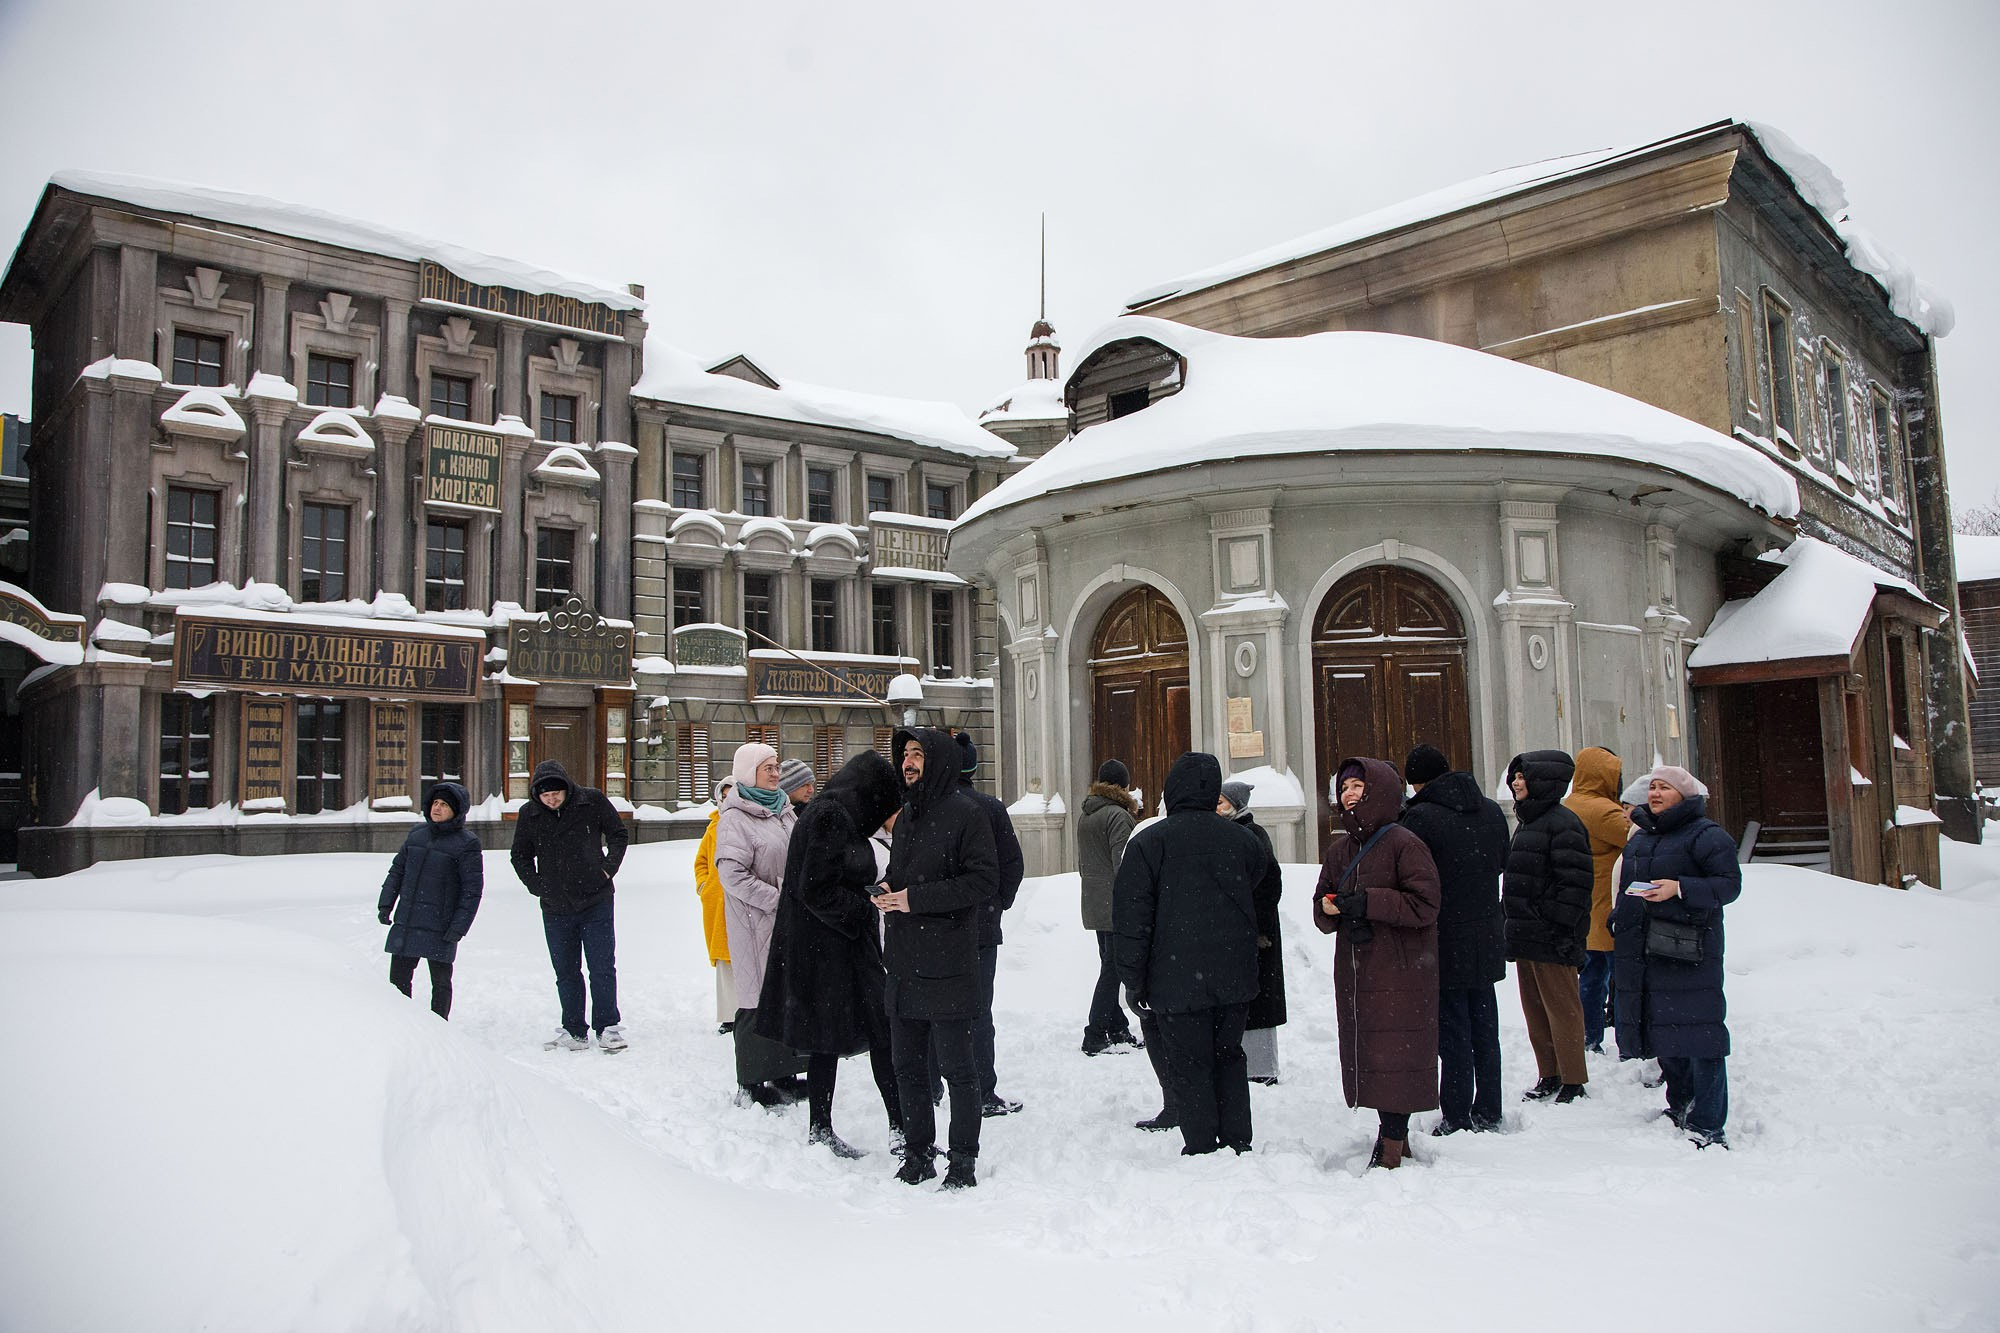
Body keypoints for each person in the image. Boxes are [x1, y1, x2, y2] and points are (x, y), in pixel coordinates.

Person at [1115, 751, 1273, 1157]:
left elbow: (1132, 917)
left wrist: (1133, 979)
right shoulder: (1243, 840)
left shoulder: (1149, 843)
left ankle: (1201, 1142)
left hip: (1173, 974)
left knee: (1189, 1061)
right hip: (1233, 971)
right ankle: (1237, 1139)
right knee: (1228, 1054)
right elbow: (1264, 888)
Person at [755, 750, 906, 1158]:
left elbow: (839, 875)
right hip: (827, 951)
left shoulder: (838, 815)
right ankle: (846, 1128)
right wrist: (865, 907)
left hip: (836, 948)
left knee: (859, 1035)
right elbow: (816, 888)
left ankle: (889, 1125)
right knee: (856, 1036)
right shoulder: (830, 816)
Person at [876, 727, 999, 1189]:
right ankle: (918, 1152)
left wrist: (915, 900)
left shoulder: (967, 814)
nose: (907, 763)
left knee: (958, 1070)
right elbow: (900, 874)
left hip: (949, 961)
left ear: (940, 760)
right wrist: (889, 889)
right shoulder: (906, 816)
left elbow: (983, 881)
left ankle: (962, 1160)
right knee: (907, 1067)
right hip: (904, 963)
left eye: (917, 755)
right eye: (904, 754)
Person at [1314, 757, 1442, 1169]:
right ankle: (1394, 1133)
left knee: (1395, 1050)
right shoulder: (1340, 849)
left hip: (1400, 968)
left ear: (1380, 791)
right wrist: (1329, 908)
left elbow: (1425, 904)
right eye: (1344, 787)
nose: (1349, 794)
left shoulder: (1405, 843)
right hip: (1357, 966)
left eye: (1358, 787)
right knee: (1373, 1049)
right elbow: (1321, 904)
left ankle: (1392, 1138)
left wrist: (1368, 902)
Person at [1613, 765, 1742, 1149]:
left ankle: (1708, 1121)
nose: (1654, 794)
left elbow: (1728, 886)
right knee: (1664, 1034)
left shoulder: (1707, 836)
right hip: (1647, 951)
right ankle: (1680, 1104)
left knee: (1702, 1039)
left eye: (1664, 788)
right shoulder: (1642, 837)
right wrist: (1618, 917)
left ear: (1684, 796)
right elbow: (1628, 888)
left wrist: (1680, 888)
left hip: (1690, 953)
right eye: (1651, 788)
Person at [1397, 744, 1508, 1134]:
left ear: (1416, 782)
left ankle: (1457, 1113)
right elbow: (1500, 862)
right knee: (1484, 1026)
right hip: (1486, 930)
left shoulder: (1420, 818)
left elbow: (1409, 876)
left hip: (1443, 935)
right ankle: (1490, 1108)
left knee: (1453, 1030)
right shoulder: (1492, 810)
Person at [512, 759, 630, 1053]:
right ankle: (574, 1029)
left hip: (596, 900)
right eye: (544, 795)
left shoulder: (592, 801)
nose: (551, 799)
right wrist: (538, 886)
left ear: (566, 787)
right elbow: (520, 856)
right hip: (555, 906)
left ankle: (608, 1027)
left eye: (556, 793)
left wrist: (606, 870)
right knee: (565, 969)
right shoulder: (530, 815)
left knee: (601, 965)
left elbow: (618, 834)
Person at [715, 742, 808, 1106]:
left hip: (787, 921)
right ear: (747, 772)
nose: (775, 774)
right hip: (755, 923)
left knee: (785, 998)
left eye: (776, 768)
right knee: (756, 1001)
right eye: (767, 768)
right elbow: (731, 874)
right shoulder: (735, 817)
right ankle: (752, 1082)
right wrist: (777, 901)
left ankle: (785, 1074)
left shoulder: (783, 810)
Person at [1502, 749, 1595, 1102]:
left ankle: (1573, 1078)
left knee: (1562, 1008)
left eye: (1523, 777)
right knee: (1536, 1008)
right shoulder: (1529, 821)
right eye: (1516, 777)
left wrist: (1555, 922)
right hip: (1528, 934)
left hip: (1552, 936)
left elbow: (1574, 885)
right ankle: (1550, 1073)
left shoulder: (1564, 823)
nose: (1515, 783)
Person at [953, 732, 1027, 1116]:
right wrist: (998, 904)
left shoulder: (923, 805)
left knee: (936, 1010)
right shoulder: (990, 807)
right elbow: (1012, 863)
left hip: (934, 927)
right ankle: (981, 1089)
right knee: (979, 1009)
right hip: (980, 925)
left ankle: (935, 1086)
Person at [378, 781, 483, 1020]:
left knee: (441, 982)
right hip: (408, 920)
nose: (437, 808)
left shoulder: (467, 844)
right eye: (435, 802)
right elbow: (397, 871)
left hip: (441, 925)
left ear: (456, 810)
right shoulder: (417, 834)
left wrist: (458, 928)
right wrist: (386, 904)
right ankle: (402, 1022)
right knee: (398, 981)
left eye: (444, 804)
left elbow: (472, 891)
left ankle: (439, 1028)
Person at [1217, 779, 1286, 1085]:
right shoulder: (1230, 833)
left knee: (1259, 1003)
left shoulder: (1252, 835)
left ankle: (1261, 1069)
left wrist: (1259, 929)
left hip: (1259, 933)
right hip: (1242, 931)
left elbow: (1269, 885)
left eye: (1221, 803)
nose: (1216, 808)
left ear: (1236, 805)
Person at [1565, 746, 1628, 1056]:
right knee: (1624, 979)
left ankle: (1589, 1037)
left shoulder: (1570, 804)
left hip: (1585, 905)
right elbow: (1637, 837)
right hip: (1609, 902)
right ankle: (1630, 1042)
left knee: (1590, 977)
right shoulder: (1604, 811)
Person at [1078, 759, 1144, 1057]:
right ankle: (1094, 1033)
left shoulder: (1088, 812)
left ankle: (1117, 1028)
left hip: (1094, 901)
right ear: (1123, 786)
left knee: (1109, 964)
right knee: (1113, 969)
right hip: (1115, 903)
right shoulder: (1119, 816)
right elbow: (1124, 865)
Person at [694, 777, 737, 1034]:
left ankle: (747, 1012)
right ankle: (729, 1015)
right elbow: (701, 861)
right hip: (717, 903)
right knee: (725, 962)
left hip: (742, 902)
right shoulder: (713, 827)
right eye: (725, 795)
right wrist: (704, 885)